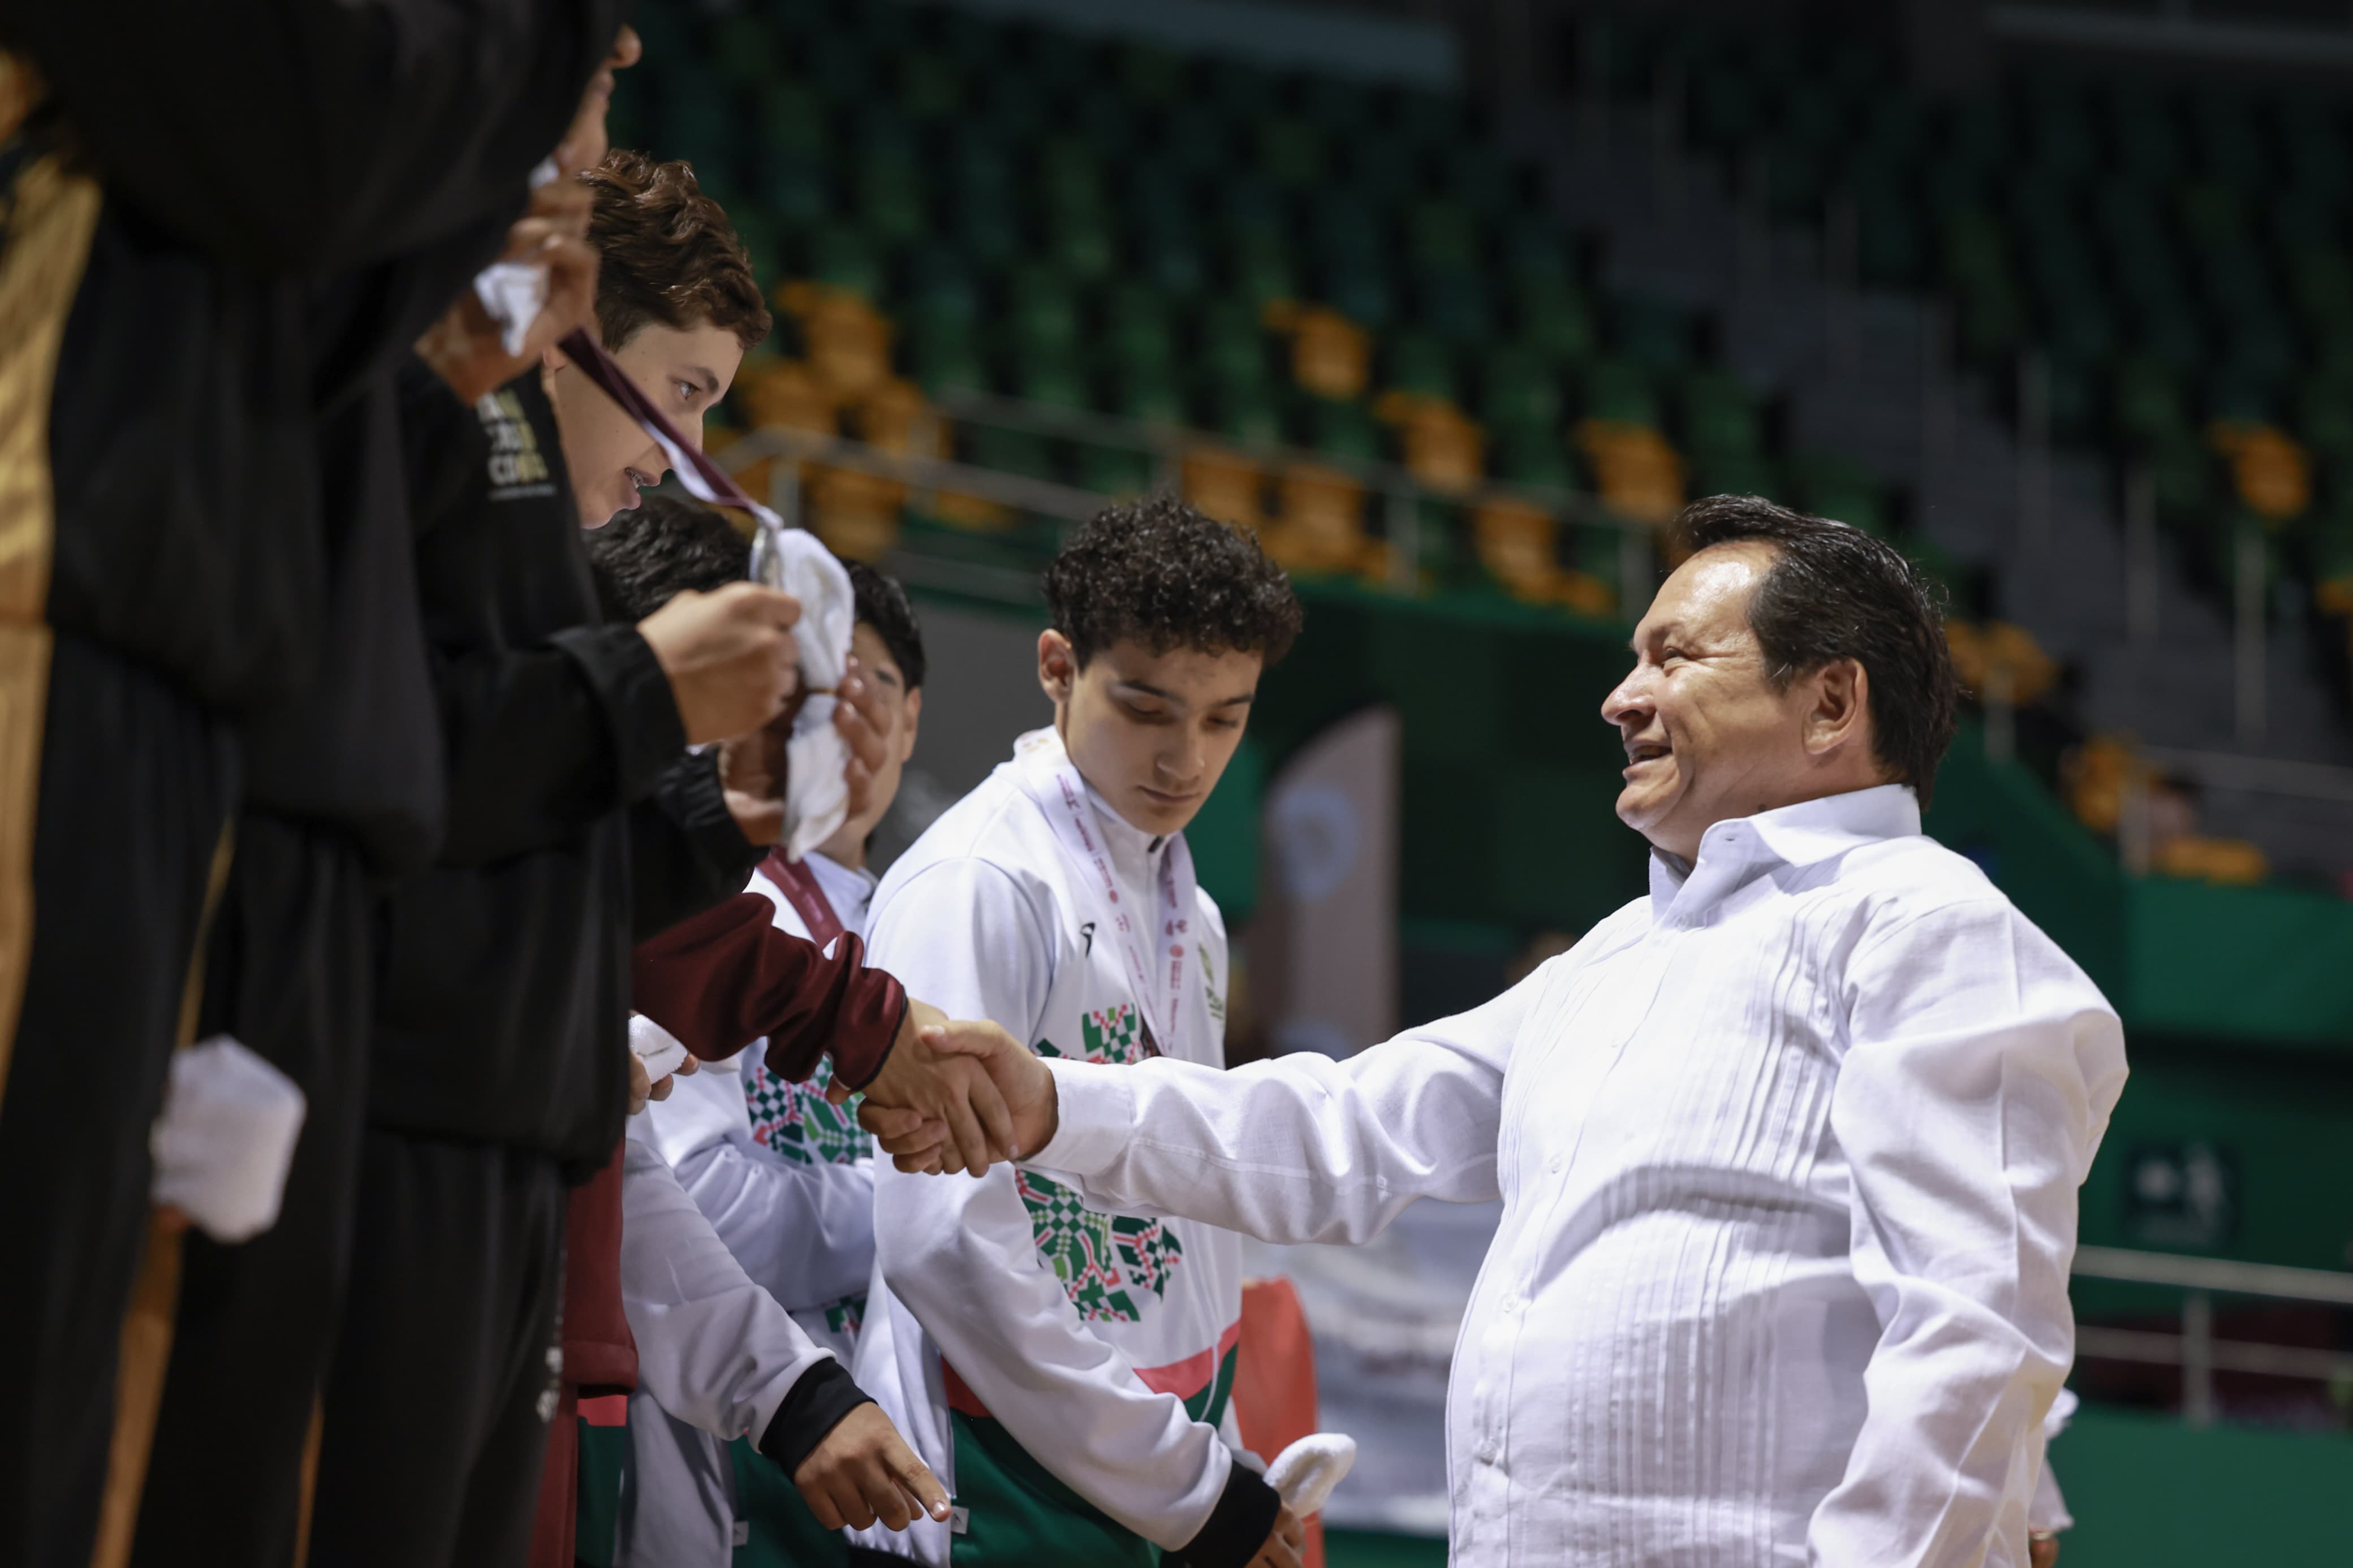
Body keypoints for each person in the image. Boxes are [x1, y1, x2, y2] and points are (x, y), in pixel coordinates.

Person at [883, 495, 2132, 1568]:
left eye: (1674, 657)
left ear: (1830, 702)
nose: (1621, 697)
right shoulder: (1615, 956)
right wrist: (1048, 1102)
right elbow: (1341, 1129)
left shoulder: (1936, 934)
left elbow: (1974, 1339)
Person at [0, 7, 628, 1562]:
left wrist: (439, 330)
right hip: (61, 622)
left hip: (176, 700)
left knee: (111, 1404)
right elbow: (306, 146)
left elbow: (289, 247)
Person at [850, 498, 1312, 1568]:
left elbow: (1194, 1197)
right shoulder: (980, 880)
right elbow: (943, 1236)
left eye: (1225, 719)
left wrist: (1215, 1450)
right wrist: (1182, 1483)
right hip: (995, 1465)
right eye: (1147, 708)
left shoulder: (1193, 911)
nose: (1186, 759)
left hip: (1157, 1447)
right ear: (1058, 667)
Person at [594, 497, 931, 1564]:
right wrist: (921, 1210)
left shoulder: (919, 910)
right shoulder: (692, 898)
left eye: (864, 693)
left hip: (851, 1421)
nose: (837, 726)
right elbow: (700, 1204)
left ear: (912, 718)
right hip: (715, 1438)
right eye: (798, 693)